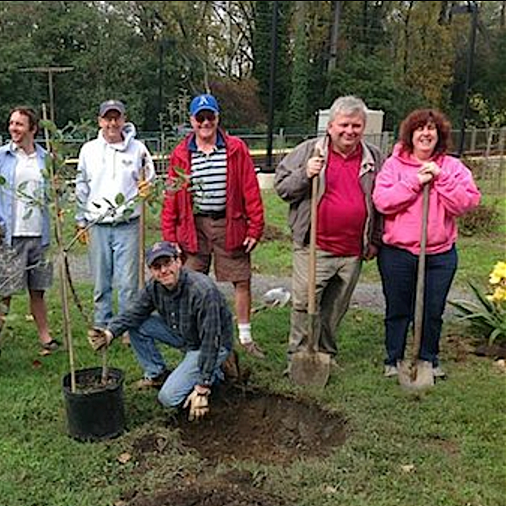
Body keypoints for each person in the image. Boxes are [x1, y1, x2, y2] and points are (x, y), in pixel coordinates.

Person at [274, 95, 383, 370]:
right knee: (303, 302)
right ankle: (298, 357)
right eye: (344, 125)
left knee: (335, 307)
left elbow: (382, 202)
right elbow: (282, 187)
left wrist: (374, 239)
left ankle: (325, 354)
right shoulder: (309, 151)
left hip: (352, 249)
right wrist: (305, 175)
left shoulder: (374, 157)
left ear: (364, 127)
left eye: (356, 126)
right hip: (315, 245)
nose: (350, 131)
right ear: (331, 126)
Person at [372, 109, 480, 379]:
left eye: (431, 129)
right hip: (399, 252)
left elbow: (467, 202)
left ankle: (427, 358)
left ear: (439, 135)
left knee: (433, 310)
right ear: (411, 134)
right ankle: (394, 358)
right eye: (420, 128)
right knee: (398, 308)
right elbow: (382, 201)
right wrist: (416, 181)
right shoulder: (394, 165)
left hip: (440, 254)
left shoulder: (452, 167)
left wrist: (440, 178)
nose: (425, 133)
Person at [161, 94, 265, 359]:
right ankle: (194, 336)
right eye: (200, 118)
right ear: (192, 121)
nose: (205, 122)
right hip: (194, 225)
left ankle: (244, 335)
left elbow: (250, 189)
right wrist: (170, 235)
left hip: (230, 222)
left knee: (241, 279)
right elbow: (172, 195)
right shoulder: (181, 154)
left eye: (210, 117)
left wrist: (255, 227)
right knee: (190, 281)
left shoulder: (235, 148)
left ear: (218, 118)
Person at [87, 241, 233, 420]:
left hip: (210, 344)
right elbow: (134, 312)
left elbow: (212, 340)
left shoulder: (202, 292)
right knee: (137, 323)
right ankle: (157, 374)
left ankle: (215, 375)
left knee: (168, 398)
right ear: (151, 270)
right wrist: (110, 332)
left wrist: (202, 389)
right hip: (184, 334)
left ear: (178, 262)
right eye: (157, 267)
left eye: (167, 263)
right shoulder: (155, 287)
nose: (163, 270)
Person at [0, 106, 58, 352]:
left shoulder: (45, 158)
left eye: (19, 124)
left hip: (40, 237)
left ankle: (45, 336)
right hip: (10, 236)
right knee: (4, 290)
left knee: (38, 289)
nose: (13, 128)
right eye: (11, 123)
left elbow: (55, 192)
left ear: (33, 129)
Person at [75, 99, 156, 332]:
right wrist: (81, 220)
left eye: (116, 118)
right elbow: (82, 186)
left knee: (128, 283)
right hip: (98, 223)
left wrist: (147, 188)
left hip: (128, 224)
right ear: (100, 121)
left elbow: (149, 180)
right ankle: (102, 325)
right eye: (107, 118)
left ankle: (126, 327)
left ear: (123, 119)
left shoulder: (138, 150)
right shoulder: (88, 150)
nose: (112, 123)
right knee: (101, 282)